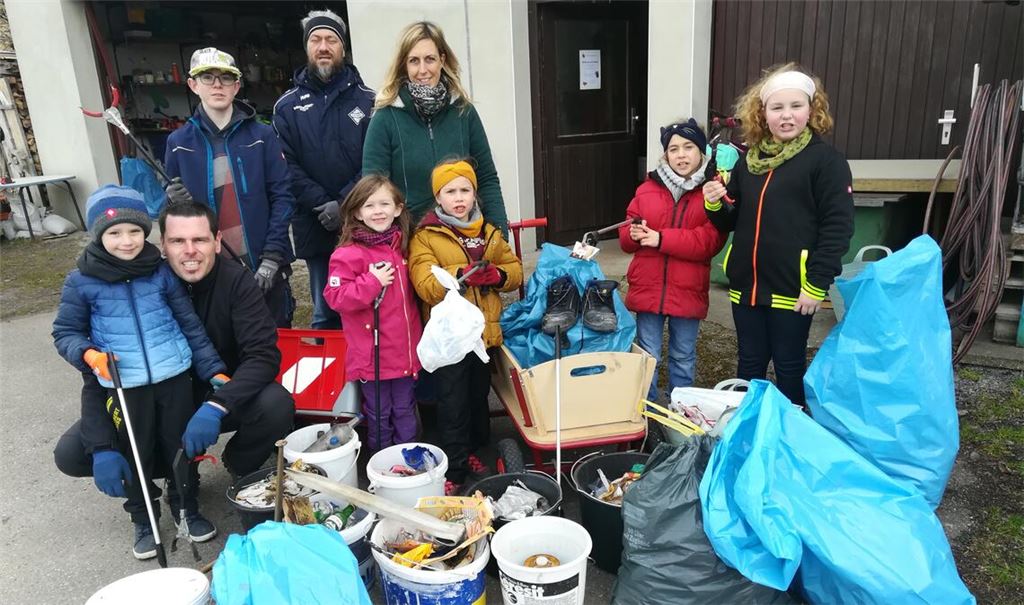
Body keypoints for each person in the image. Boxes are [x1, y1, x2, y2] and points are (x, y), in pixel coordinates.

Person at [54, 202, 296, 557]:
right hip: (144, 391)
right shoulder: (128, 285)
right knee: (74, 452)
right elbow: (93, 373)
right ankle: (147, 492)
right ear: (163, 245)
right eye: (178, 241)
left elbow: (263, 356)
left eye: (199, 239)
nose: (190, 251)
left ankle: (236, 467)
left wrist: (217, 404)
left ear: (216, 241)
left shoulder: (236, 282)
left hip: (213, 391)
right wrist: (103, 444)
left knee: (276, 404)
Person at [51, 187, 227, 560]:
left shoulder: (160, 272)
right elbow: (65, 332)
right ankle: (144, 518)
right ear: (98, 234)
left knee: (181, 448)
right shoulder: (81, 281)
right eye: (114, 233)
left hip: (173, 376)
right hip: (124, 385)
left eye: (134, 231)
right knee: (135, 452)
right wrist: (88, 355)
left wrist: (212, 369)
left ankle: (187, 507)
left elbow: (189, 325)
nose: (127, 241)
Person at [703, 63, 854, 407]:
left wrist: (816, 284)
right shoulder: (749, 162)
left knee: (789, 369)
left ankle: (789, 438)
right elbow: (731, 220)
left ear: (812, 111)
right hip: (746, 287)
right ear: (762, 114)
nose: (787, 116)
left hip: (793, 289)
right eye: (777, 108)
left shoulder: (826, 162)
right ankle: (751, 435)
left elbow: (838, 227)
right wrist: (714, 204)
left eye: (796, 106)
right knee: (749, 366)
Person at [409, 159, 522, 495]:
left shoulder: (489, 232)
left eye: (465, 190)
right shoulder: (426, 236)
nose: (458, 198)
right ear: (438, 197)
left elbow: (513, 269)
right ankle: (455, 467)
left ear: (474, 194)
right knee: (453, 401)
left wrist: (499, 276)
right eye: (450, 191)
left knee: (477, 397)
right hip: (452, 340)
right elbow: (425, 283)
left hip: (483, 335)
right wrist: (461, 274)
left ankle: (477, 450)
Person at [163, 47, 296, 328]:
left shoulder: (262, 136)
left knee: (273, 345)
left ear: (237, 86)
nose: (217, 85)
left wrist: (272, 256)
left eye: (225, 78)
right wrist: (172, 202)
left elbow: (283, 197)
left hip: (262, 264)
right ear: (193, 85)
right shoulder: (178, 143)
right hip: (212, 269)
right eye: (208, 78)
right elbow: (174, 220)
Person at [273, 10, 375, 331]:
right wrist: (323, 203)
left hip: (363, 220)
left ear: (343, 48)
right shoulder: (286, 107)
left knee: (368, 303)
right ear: (307, 48)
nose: (324, 46)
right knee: (326, 309)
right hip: (314, 222)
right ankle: (332, 378)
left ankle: (368, 376)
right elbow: (285, 165)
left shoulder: (370, 101)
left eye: (331, 39)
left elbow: (374, 161)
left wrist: (344, 204)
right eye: (316, 39)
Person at [363, 21, 508, 232]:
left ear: (442, 60)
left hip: (463, 237)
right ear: (404, 64)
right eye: (414, 61)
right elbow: (372, 190)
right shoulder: (385, 118)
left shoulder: (463, 112)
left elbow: (486, 178)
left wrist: (499, 233)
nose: (423, 70)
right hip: (411, 240)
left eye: (429, 59)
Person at [619, 118, 727, 401]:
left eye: (688, 147)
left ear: (701, 152)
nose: (681, 154)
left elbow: (709, 242)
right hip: (649, 287)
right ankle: (649, 410)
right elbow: (626, 236)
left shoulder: (711, 192)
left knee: (682, 355)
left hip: (687, 289)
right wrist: (632, 233)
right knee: (648, 353)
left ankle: (681, 408)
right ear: (665, 155)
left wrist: (660, 239)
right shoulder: (646, 189)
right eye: (673, 148)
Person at [323, 175, 423, 451]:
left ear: (398, 209)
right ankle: (381, 461)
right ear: (356, 211)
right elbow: (335, 297)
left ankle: (407, 458)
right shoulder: (347, 254)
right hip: (373, 356)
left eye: (384, 204)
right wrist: (371, 282)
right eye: (369, 205)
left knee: (404, 408)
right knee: (378, 414)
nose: (378, 211)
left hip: (404, 352)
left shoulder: (403, 246)